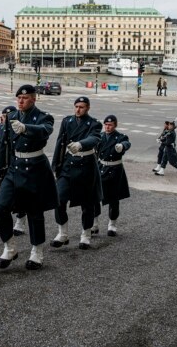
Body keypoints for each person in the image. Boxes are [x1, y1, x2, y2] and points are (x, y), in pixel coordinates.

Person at [0, 84, 58, 270]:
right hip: (14, 168)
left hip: (35, 167)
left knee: (34, 212)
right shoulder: (12, 117)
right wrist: (0, 172)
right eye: (18, 98)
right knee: (0, 207)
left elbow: (45, 130)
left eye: (25, 98)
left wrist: (25, 129)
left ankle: (37, 251)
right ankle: (10, 247)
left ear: (33, 99)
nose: (20, 101)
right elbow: (4, 146)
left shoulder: (44, 117)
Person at [51, 96, 103, 250]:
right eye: (76, 106)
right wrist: (56, 166)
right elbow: (60, 143)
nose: (78, 109)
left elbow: (95, 138)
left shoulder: (94, 124)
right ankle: (63, 233)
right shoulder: (67, 121)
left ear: (87, 108)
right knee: (59, 200)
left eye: (81, 107)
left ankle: (86, 235)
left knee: (87, 204)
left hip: (86, 166)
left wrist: (81, 144)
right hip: (68, 165)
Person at [0, 106, 27, 235]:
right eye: (3, 117)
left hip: (16, 168)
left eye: (7, 117)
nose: (5, 120)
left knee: (19, 196)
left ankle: (20, 223)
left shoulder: (19, 129)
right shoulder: (0, 128)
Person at [95, 115, 131, 237]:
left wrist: (122, 146)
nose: (107, 127)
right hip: (101, 168)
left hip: (115, 169)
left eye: (110, 125)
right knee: (96, 197)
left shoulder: (120, 137)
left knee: (114, 199)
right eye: (106, 125)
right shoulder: (99, 136)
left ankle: (112, 224)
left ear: (115, 125)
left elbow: (127, 143)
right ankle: (94, 223)